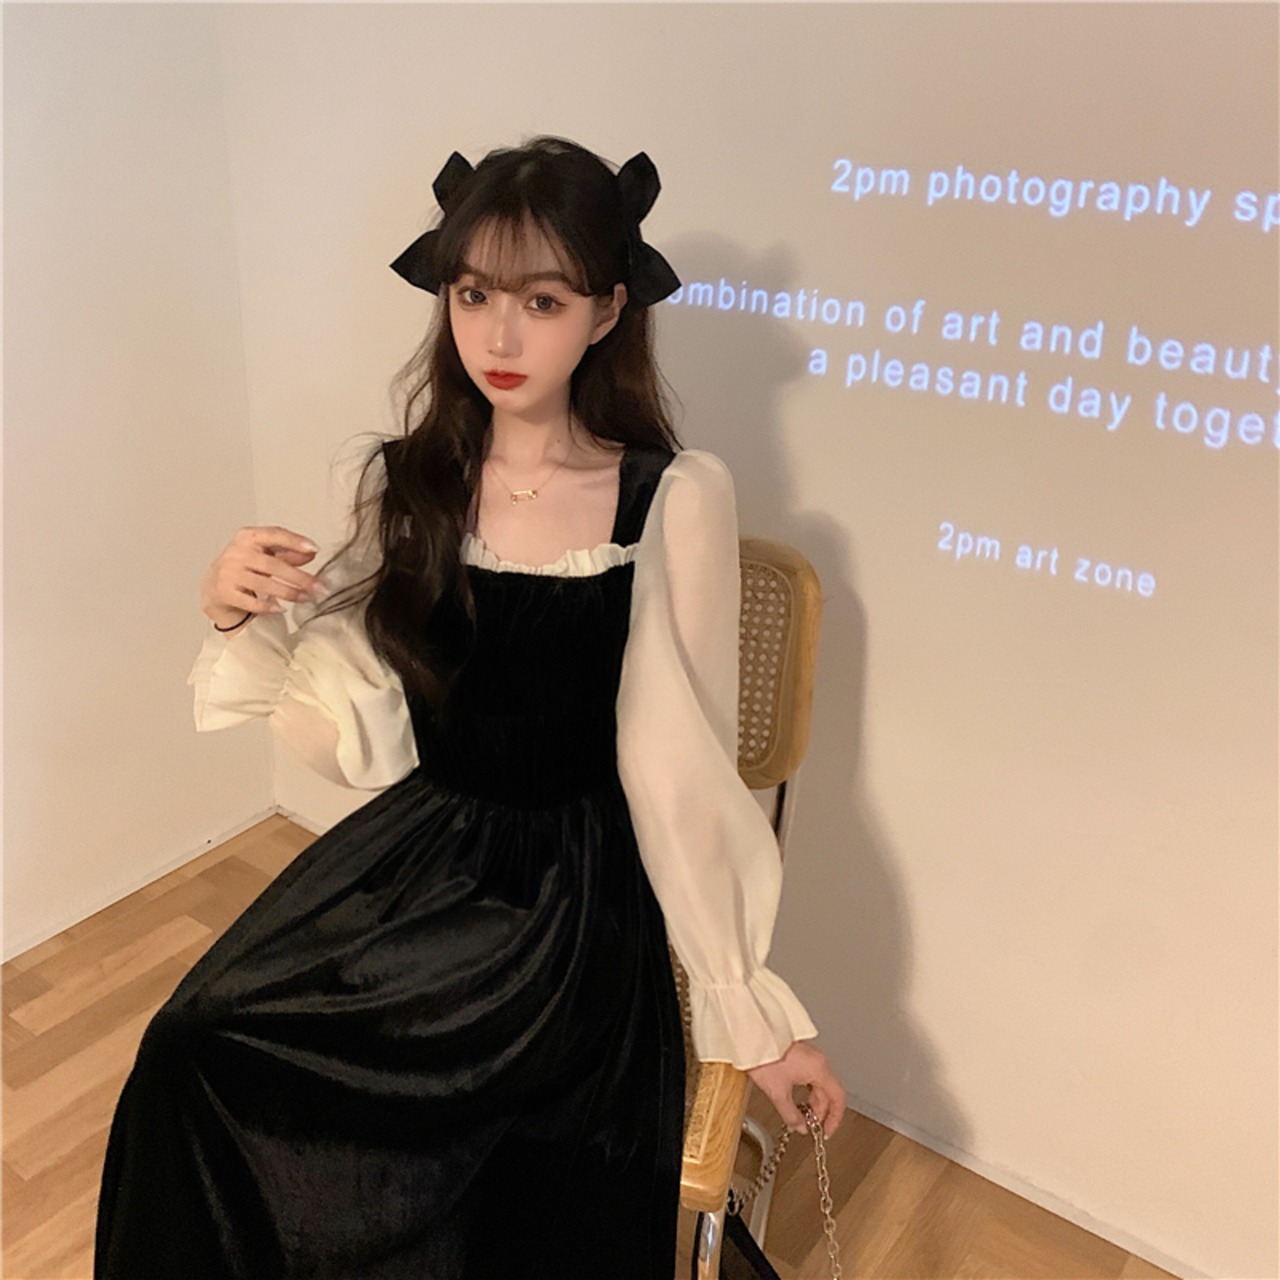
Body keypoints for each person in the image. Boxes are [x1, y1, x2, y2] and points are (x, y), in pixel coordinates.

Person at [94, 135, 845, 1279]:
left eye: (540, 300)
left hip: (571, 900)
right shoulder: (406, 477)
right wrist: (238, 612)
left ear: (605, 311)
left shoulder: (669, 494)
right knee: (195, 1042)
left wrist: (753, 1013)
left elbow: (674, 764)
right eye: (472, 294)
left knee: (508, 1152)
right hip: (423, 854)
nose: (498, 337)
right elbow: (364, 737)